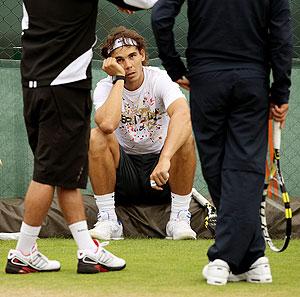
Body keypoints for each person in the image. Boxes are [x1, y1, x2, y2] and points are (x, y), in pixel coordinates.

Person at [152, 0, 292, 285]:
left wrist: (174, 66)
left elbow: (160, 15)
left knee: (220, 168)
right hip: (250, 79)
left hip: (207, 79)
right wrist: (280, 91)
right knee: (242, 170)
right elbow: (282, 36)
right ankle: (253, 257)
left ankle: (225, 257)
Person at [5, 0, 126, 274]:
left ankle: (87, 250)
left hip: (35, 86)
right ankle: (23, 252)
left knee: (65, 173)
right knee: (47, 174)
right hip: (64, 89)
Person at [88, 26, 197, 241]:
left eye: (132, 56)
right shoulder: (104, 87)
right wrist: (118, 80)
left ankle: (179, 219)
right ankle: (109, 219)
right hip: (124, 172)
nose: (128, 65)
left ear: (143, 55)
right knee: (95, 136)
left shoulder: (160, 79)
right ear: (110, 65)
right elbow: (108, 124)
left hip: (162, 173)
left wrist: (165, 159)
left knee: (186, 136)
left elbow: (184, 114)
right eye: (119, 60)